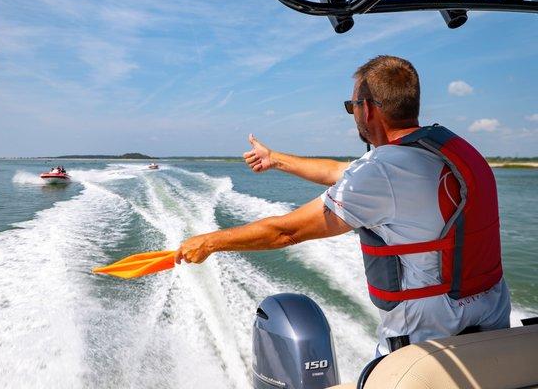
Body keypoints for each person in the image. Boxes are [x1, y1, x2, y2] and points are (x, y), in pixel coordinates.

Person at [175, 55, 511, 355]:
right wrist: (274, 158)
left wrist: (209, 242)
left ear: (368, 109)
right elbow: (343, 173)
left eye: (351, 107)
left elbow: (286, 232)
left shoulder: (382, 170)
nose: (353, 115)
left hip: (426, 345)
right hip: (491, 331)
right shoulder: (451, 152)